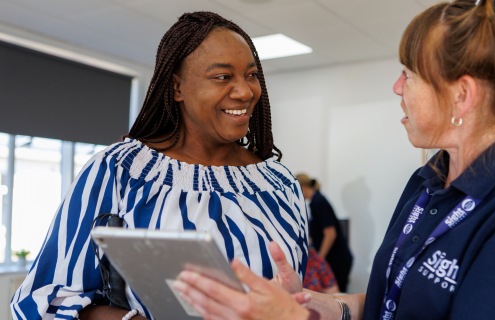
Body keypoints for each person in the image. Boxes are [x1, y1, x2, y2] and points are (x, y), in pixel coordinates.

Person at [172, 0, 495, 319]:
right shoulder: (426, 181)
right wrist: (319, 306)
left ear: (462, 95)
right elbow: (395, 302)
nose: (397, 87)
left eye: (409, 74)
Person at [10, 12, 309, 320]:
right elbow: (45, 300)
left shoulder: (279, 184)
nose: (245, 91)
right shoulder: (120, 170)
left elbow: (298, 295)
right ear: (177, 88)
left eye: (251, 75)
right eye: (222, 76)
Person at [296, 174, 353, 292]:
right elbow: (317, 234)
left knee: (336, 299)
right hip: (332, 258)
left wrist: (319, 260)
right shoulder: (314, 203)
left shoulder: (319, 202)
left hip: (337, 259)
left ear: (302, 187)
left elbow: (330, 234)